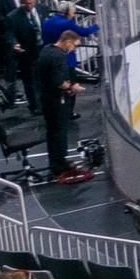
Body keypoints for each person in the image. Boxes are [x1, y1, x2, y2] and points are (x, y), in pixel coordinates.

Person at [35, 32, 86, 180]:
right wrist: (72, 88)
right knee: (60, 132)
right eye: (74, 46)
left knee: (52, 132)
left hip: (46, 98)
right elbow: (59, 82)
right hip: (56, 100)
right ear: (68, 41)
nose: (73, 50)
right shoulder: (59, 56)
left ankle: (56, 162)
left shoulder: (46, 49)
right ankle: (59, 165)